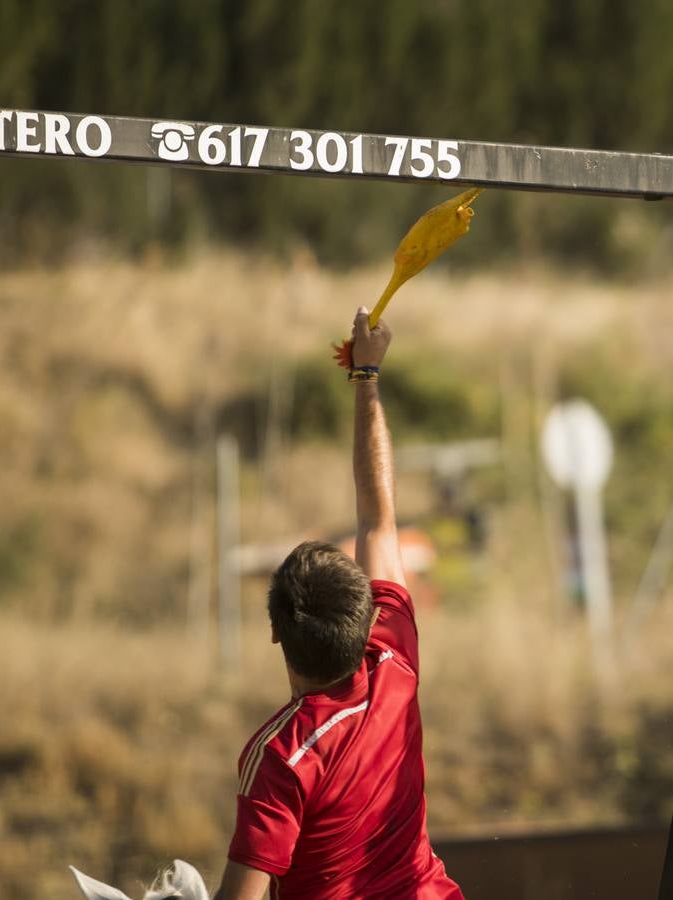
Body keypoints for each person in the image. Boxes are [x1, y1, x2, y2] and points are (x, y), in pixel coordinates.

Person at [215, 309, 463, 900]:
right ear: (368, 617)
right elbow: (379, 513)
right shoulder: (393, 660)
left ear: (276, 633)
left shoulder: (281, 754)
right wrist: (367, 375)